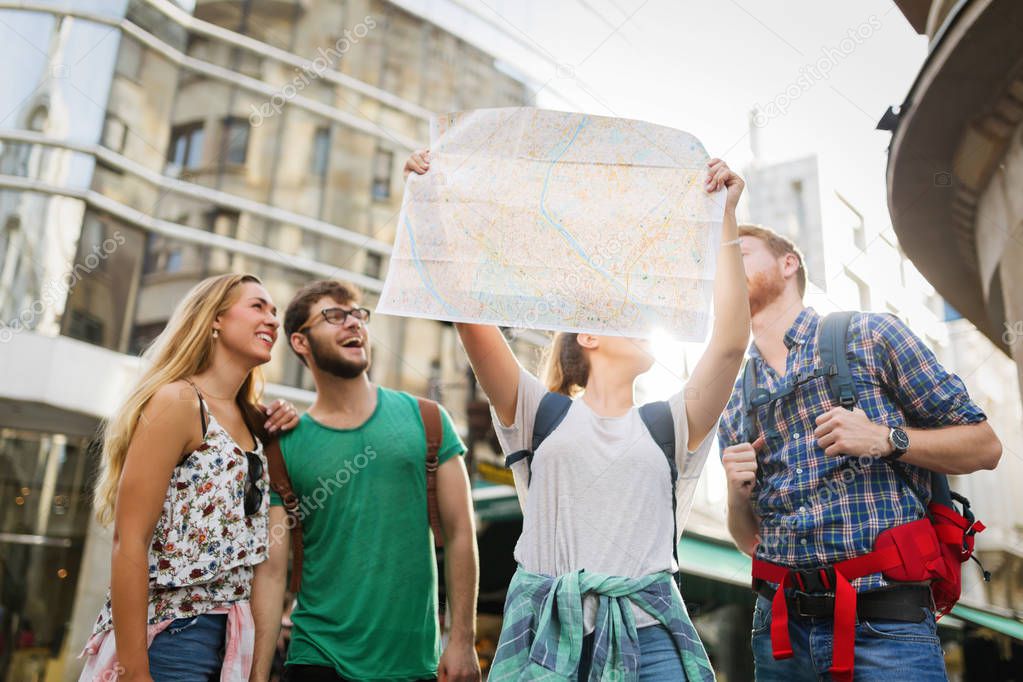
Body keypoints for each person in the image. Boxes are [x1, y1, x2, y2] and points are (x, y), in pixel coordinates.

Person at [405, 150, 750, 680]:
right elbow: (470, 318)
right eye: (624, 313)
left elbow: (729, 344)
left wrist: (725, 216)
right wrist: (432, 207)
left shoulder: (670, 424)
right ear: (586, 337)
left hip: (650, 630)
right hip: (546, 628)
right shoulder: (538, 414)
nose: (642, 321)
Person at [719, 224, 1002, 681]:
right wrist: (736, 494)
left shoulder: (870, 335)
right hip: (780, 637)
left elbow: (985, 446)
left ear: (788, 263)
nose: (726, 264)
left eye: (741, 251)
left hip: (887, 628)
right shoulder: (734, 400)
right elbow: (747, 539)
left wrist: (887, 439)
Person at [250, 279, 481, 682]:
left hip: (411, 665)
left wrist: (462, 639)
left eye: (358, 314)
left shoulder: (428, 421)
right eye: (334, 316)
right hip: (316, 660)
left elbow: (462, 534)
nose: (353, 323)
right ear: (301, 343)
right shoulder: (283, 446)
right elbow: (272, 573)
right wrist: (255, 676)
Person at [79, 273, 300, 681]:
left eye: (275, 312)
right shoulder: (179, 401)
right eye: (258, 306)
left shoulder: (254, 423)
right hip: (171, 638)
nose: (272, 320)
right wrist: (134, 670)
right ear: (215, 319)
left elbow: (266, 557)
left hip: (233, 637)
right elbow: (130, 541)